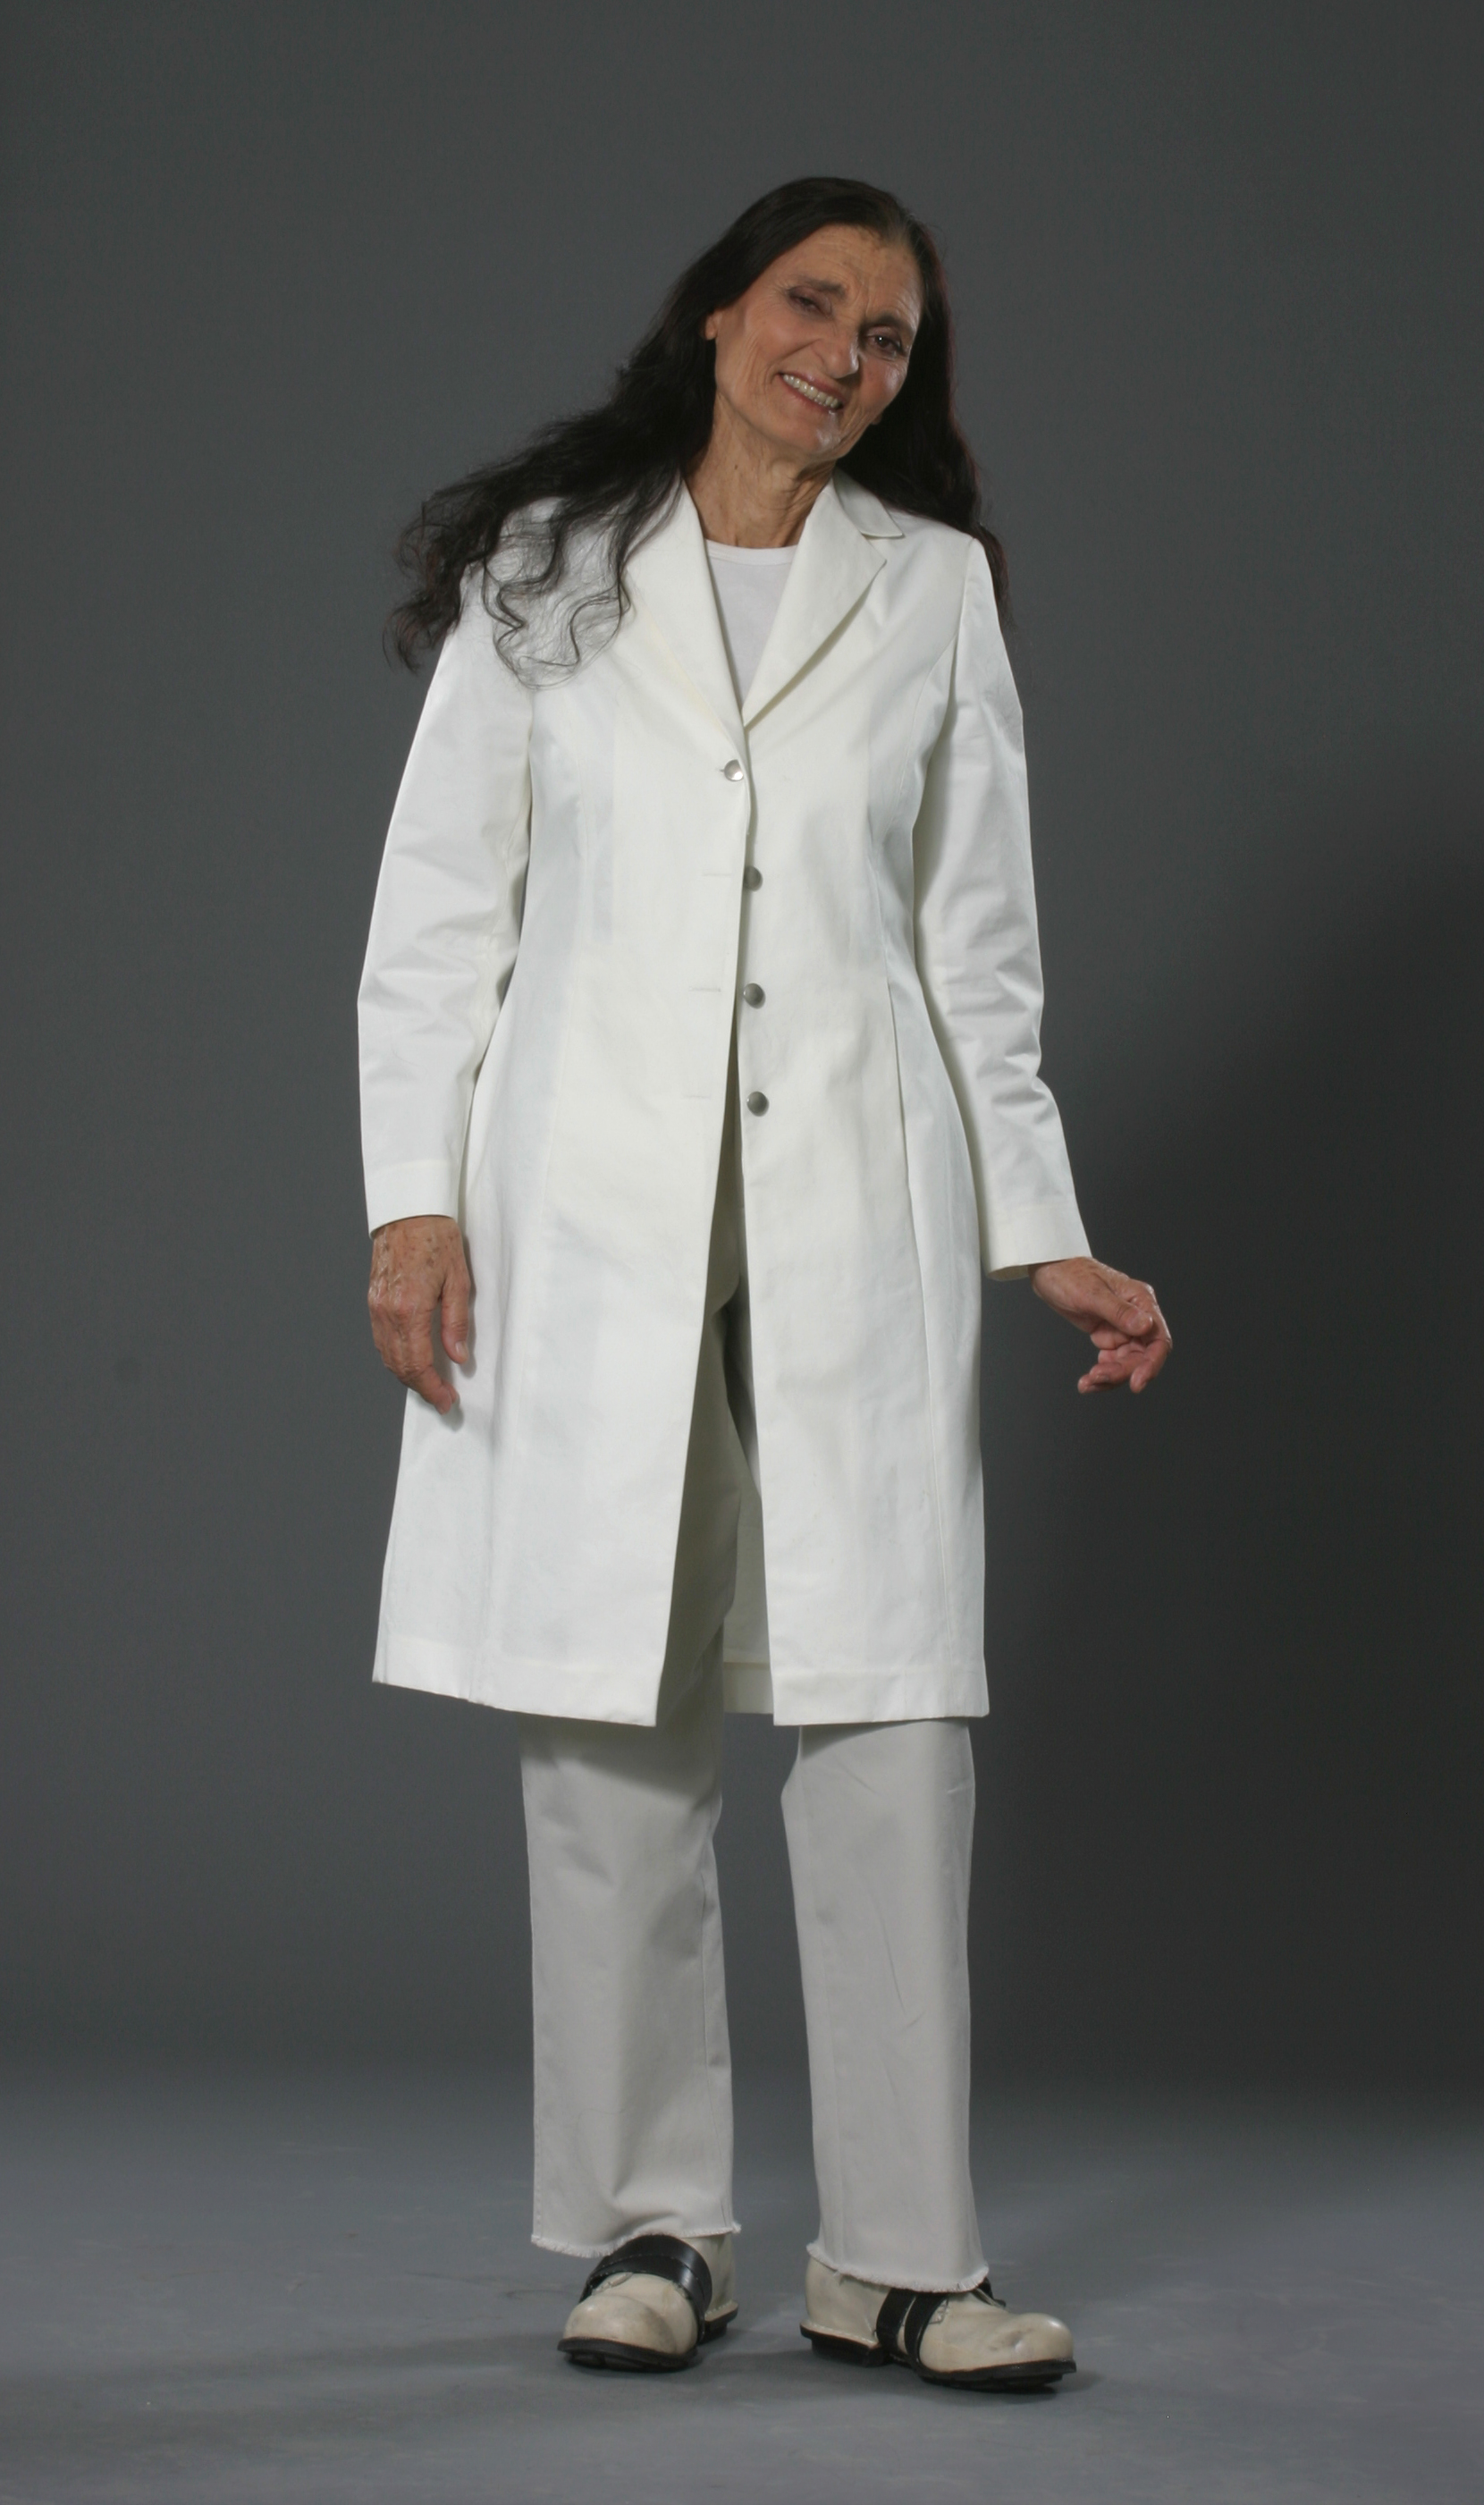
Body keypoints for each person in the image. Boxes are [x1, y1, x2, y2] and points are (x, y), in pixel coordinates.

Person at [358, 175, 1170, 2392]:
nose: (843, 355)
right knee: (608, 1720)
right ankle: (653, 2230)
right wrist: (410, 1204)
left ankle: (896, 2259)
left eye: (887, 336)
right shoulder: (546, 577)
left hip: (847, 1219)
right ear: (718, 317)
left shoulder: (929, 592)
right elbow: (439, 921)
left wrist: (1042, 1229)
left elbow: (972, 946)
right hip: (587, 1225)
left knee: (887, 1719)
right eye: (813, 305)